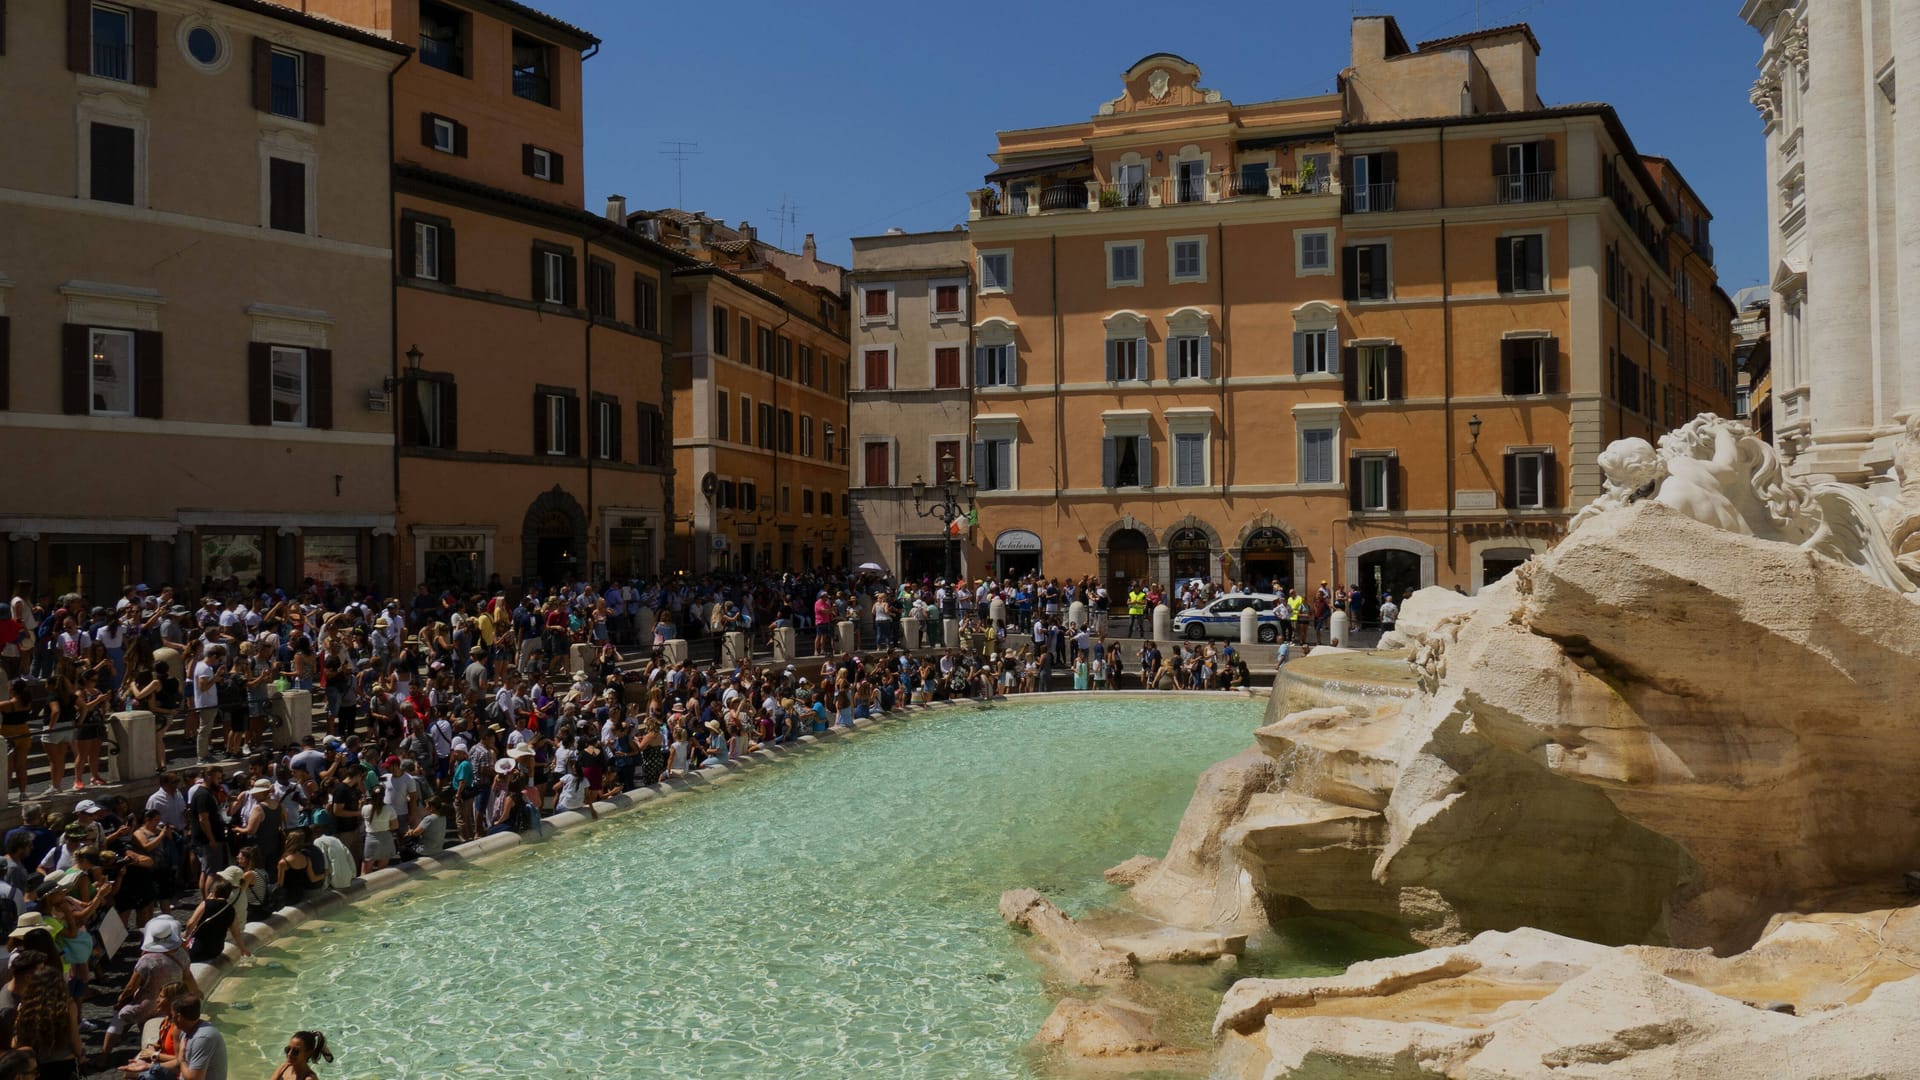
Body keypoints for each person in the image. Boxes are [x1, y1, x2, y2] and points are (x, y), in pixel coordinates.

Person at [10, 950, 83, 1080]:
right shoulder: (68, 1007)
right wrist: (80, 1054)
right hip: (64, 1065)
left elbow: (17, 1042)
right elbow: (75, 1042)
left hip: (37, 1065)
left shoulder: (24, 1006)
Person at [149, 994, 224, 1080]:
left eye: (172, 1015)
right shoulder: (188, 1029)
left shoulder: (202, 1039)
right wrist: (148, 1066)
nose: (171, 1019)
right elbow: (178, 1063)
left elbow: (194, 1078)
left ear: (179, 1017)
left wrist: (182, 1059)